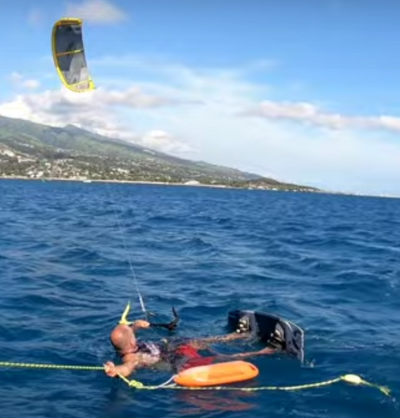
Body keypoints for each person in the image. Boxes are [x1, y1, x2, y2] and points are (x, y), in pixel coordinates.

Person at [104, 319, 276, 378]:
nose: (133, 331)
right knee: (219, 358)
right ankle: (261, 352)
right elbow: (127, 368)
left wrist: (136, 326)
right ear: (132, 345)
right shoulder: (131, 358)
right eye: (132, 333)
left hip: (170, 347)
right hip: (173, 361)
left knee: (199, 341)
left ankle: (236, 335)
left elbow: (128, 334)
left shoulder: (127, 345)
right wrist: (116, 370)